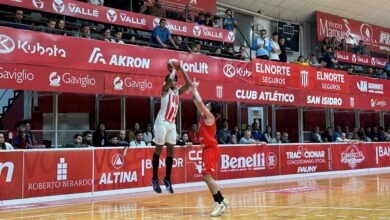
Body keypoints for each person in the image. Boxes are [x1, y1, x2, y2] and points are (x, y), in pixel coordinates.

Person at [150, 60, 192, 194]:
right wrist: (173, 69)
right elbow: (168, 82)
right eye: (172, 80)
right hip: (161, 122)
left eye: (175, 80)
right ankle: (155, 178)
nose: (174, 82)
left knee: (171, 151)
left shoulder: (177, 93)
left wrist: (182, 68)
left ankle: (167, 178)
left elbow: (189, 84)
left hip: (172, 123)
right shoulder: (165, 89)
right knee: (158, 148)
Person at [190, 79, 228, 217]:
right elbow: (196, 101)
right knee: (206, 177)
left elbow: (199, 102)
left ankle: (219, 203)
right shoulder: (204, 115)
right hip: (207, 149)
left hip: (211, 149)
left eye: (208, 104)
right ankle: (222, 199)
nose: (206, 104)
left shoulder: (209, 116)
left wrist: (194, 88)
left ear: (210, 109)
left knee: (207, 176)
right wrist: (191, 88)